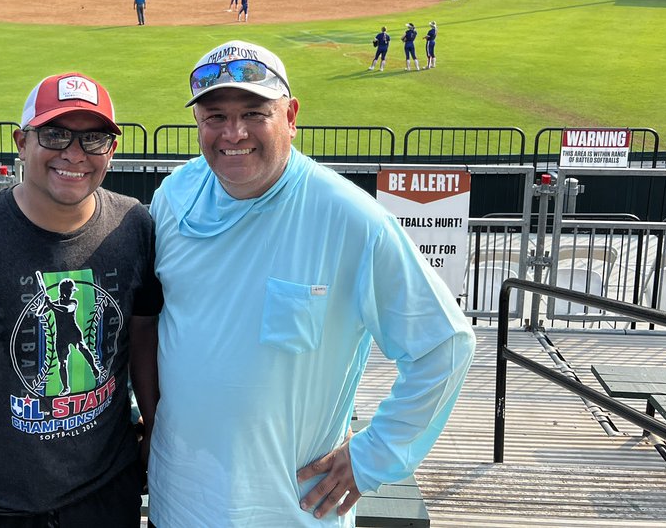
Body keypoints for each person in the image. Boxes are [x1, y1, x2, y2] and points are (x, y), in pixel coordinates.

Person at [146, 41, 474, 527]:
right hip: (177, 506)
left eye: (254, 113)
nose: (232, 133)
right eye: (215, 116)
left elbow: (444, 346)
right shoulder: (173, 197)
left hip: (289, 512)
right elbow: (160, 325)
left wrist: (372, 458)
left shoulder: (350, 218)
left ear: (291, 115)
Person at [0, 72, 161, 527]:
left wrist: (155, 431)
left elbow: (143, 342)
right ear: (21, 142)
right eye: (54, 134)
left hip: (104, 493)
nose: (73, 154)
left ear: (111, 153)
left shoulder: (133, 226)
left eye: (93, 139)